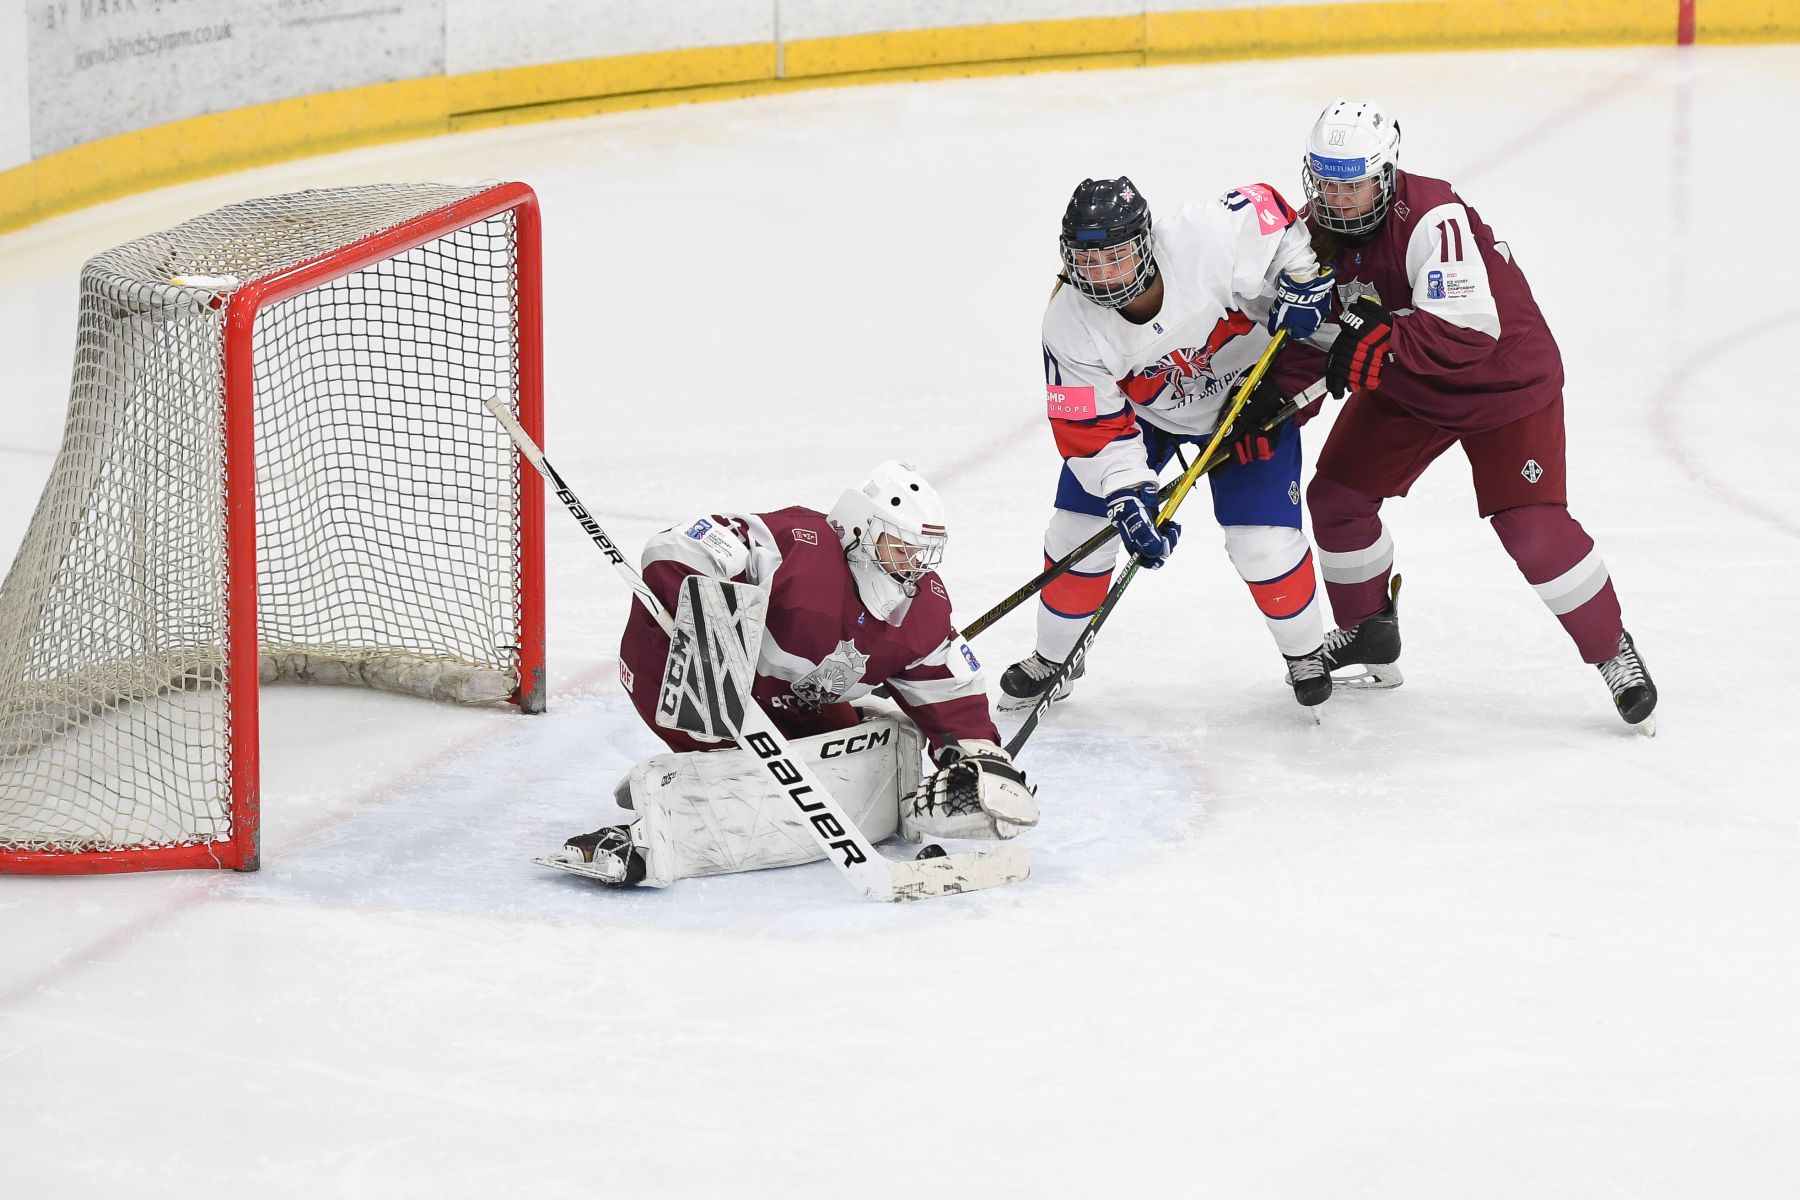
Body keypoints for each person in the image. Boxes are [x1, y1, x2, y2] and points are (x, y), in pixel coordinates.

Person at [1289, 97, 1657, 730]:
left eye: (1353, 184)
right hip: (1408, 381)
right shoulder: (1311, 234)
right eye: (1326, 183)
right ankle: (1368, 630)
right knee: (1336, 499)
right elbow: (1310, 337)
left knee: (1532, 531)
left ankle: (1612, 652)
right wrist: (1269, 403)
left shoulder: (1432, 216)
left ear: (1385, 174)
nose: (1338, 199)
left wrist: (1371, 343)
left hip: (1502, 384)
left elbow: (1467, 334)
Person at [544, 462, 1037, 887]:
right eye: (900, 547)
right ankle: (667, 812)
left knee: (846, 755)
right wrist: (712, 634)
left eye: (922, 551)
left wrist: (979, 755)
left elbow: (950, 686)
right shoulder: (800, 545)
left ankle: (691, 786)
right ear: (861, 530)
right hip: (677, 667)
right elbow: (681, 545)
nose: (914, 565)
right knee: (726, 749)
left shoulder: (920, 607)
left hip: (790, 698)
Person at [1001, 175, 1340, 712]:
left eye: (1114, 258)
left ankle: (1306, 652)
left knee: (1262, 544)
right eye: (1088, 264)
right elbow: (1091, 431)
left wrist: (1301, 277)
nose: (1103, 278)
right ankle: (1055, 657)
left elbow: (1267, 211)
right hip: (1148, 415)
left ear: (1146, 242)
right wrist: (1127, 491)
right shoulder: (1068, 321)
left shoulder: (1199, 238)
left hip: (1246, 402)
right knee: (1077, 530)